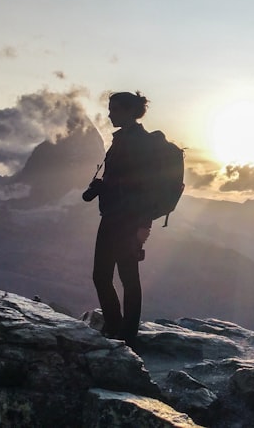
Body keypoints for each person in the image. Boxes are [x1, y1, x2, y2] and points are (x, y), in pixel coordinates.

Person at [83, 91, 156, 344]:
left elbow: (146, 187)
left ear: (127, 111)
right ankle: (116, 327)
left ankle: (126, 333)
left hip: (127, 220)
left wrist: (143, 225)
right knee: (103, 275)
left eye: (113, 109)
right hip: (113, 216)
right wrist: (102, 187)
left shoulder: (138, 143)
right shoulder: (122, 139)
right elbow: (123, 181)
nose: (109, 113)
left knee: (127, 277)